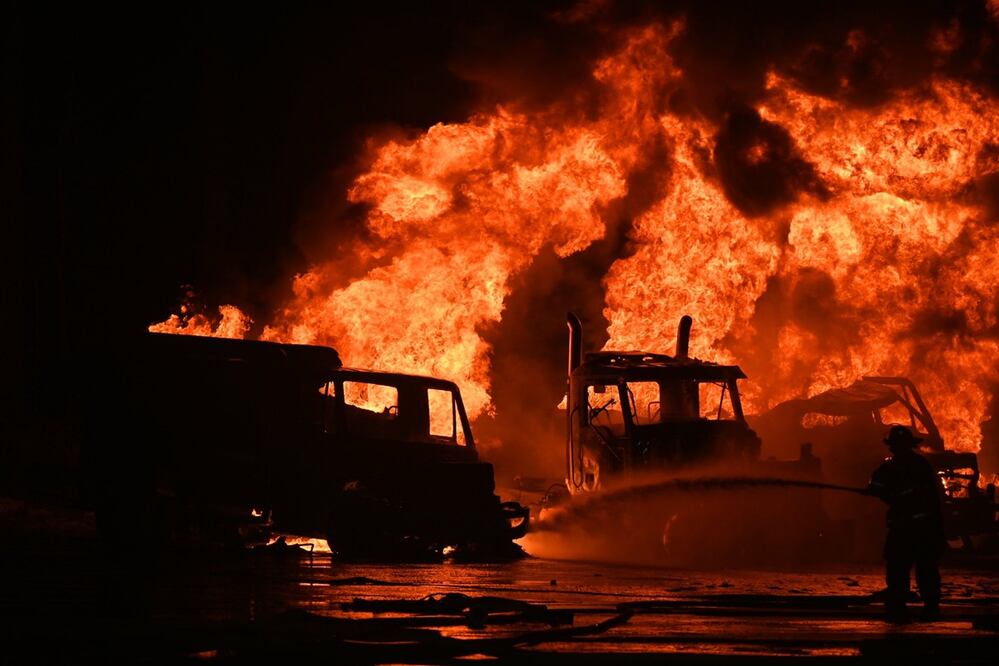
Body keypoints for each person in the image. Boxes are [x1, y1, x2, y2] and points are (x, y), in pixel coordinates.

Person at [867, 425, 946, 622]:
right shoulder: (918, 464)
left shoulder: (899, 466)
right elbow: (876, 485)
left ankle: (904, 606)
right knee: (913, 567)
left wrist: (882, 492)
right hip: (920, 527)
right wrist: (878, 490)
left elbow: (880, 487)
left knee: (904, 567)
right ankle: (921, 605)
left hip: (911, 528)